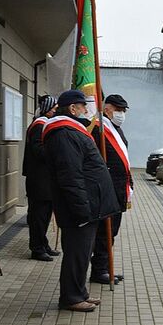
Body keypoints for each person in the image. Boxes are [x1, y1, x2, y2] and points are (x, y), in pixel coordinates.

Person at [42, 89, 118, 312]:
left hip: (88, 206)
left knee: (83, 252)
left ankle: (79, 292)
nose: (87, 110)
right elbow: (70, 176)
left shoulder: (70, 131)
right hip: (79, 209)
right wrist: (81, 209)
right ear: (73, 109)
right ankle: (71, 297)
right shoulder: (63, 133)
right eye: (83, 106)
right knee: (76, 253)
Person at [90, 93, 133, 285]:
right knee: (103, 232)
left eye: (123, 110)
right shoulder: (99, 129)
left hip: (118, 190)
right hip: (106, 189)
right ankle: (99, 271)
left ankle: (107, 268)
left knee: (111, 231)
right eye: (118, 110)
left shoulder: (116, 129)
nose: (121, 113)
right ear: (107, 109)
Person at [23, 95, 60, 261]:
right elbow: (39, 151)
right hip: (39, 180)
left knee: (44, 215)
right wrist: (57, 151)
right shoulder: (39, 125)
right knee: (38, 216)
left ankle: (43, 244)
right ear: (46, 109)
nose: (55, 111)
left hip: (44, 179)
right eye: (53, 109)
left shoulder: (42, 123)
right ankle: (37, 249)